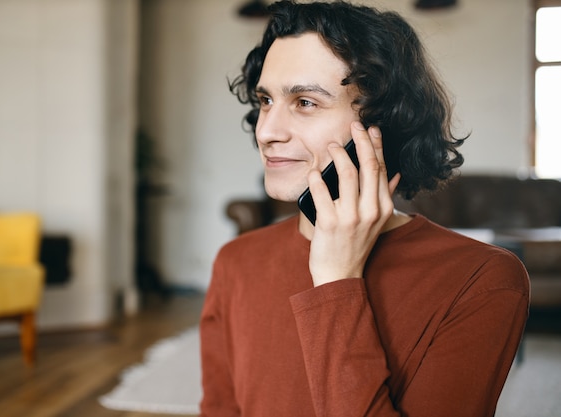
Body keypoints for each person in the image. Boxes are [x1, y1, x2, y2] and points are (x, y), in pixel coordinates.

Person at [199, 1, 529, 416]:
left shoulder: (481, 280)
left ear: (383, 124)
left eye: (305, 102)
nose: (266, 131)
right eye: (265, 100)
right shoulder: (236, 262)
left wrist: (336, 280)